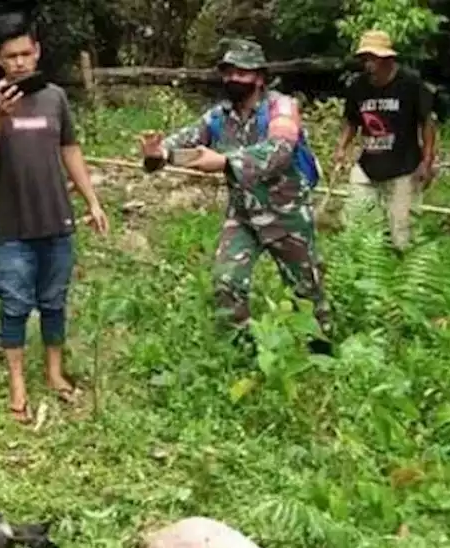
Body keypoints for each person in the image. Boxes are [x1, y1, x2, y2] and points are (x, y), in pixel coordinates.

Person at [139, 39, 333, 355]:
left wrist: (226, 161)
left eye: (241, 73)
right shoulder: (219, 116)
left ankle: (322, 355)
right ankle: (243, 352)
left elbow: (280, 152)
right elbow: (185, 145)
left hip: (288, 216)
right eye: (228, 72)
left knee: (306, 291)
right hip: (244, 215)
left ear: (259, 77)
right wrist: (157, 153)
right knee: (226, 281)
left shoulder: (281, 108)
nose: (232, 79)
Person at [0, 11, 108, 424]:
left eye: (26, 53)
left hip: (57, 221)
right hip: (13, 226)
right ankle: (17, 386)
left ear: (37, 51)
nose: (20, 63)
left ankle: (55, 372)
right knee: (13, 305)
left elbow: (70, 149)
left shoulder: (55, 97)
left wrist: (92, 200)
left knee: (54, 302)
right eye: (11, 56)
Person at [334, 29, 438, 254]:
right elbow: (351, 121)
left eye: (373, 58)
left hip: (404, 167)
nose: (368, 64)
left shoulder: (410, 84)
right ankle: (360, 269)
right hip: (368, 164)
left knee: (401, 234)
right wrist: (342, 147)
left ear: (387, 59)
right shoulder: (358, 87)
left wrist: (427, 162)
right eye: (365, 59)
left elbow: (427, 123)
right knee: (356, 223)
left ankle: (403, 278)